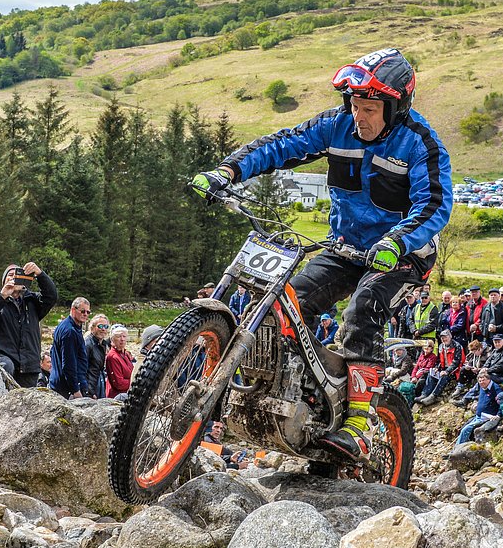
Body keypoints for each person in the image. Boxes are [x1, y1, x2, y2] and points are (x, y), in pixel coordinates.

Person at [193, 47, 452, 461]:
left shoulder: (420, 144)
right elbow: (282, 144)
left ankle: (359, 424)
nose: (359, 116)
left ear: (396, 107)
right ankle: (307, 390)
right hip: (345, 247)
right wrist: (229, 170)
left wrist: (396, 241)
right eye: (354, 105)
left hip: (402, 253)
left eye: (370, 108)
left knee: (363, 308)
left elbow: (434, 205)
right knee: (288, 302)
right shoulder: (337, 125)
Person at [0, 262, 58, 388]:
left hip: (29, 365)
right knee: (6, 368)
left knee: (27, 398)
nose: (14, 277)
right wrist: (2, 296)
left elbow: (51, 296)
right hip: (4, 359)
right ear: (4, 281)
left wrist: (40, 274)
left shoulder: (33, 301)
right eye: (10, 275)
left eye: (18, 274)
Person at [49, 298, 92, 399]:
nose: (85, 314)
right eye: (82, 311)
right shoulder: (70, 331)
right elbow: (68, 364)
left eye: (88, 312)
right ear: (73, 310)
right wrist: (75, 390)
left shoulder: (67, 326)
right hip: (66, 387)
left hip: (60, 382)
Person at [415, 330, 463, 406]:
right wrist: (437, 368)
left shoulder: (457, 346)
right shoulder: (441, 346)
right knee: (431, 372)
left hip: (455, 370)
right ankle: (424, 394)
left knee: (444, 376)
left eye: (445, 337)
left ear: (450, 336)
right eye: (442, 338)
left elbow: (456, 362)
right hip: (444, 368)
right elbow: (439, 360)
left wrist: (447, 371)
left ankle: (433, 396)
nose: (444, 339)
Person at [456, 370, 501, 445]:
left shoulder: (495, 388)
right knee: (463, 427)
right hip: (478, 415)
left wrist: (498, 415)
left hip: (486, 417)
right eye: (480, 381)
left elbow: (502, 402)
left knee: (466, 430)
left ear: (489, 380)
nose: (481, 382)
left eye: (483, 380)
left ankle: (457, 448)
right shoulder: (482, 387)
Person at [105, 325, 136, 399]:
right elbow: (119, 383)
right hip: (117, 397)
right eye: (119, 336)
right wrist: (135, 383)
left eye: (124, 336)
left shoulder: (126, 354)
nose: (122, 339)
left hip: (128, 393)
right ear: (112, 339)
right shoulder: (112, 357)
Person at [84, 314, 110, 399]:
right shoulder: (88, 344)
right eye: (100, 326)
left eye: (106, 327)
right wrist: (89, 391)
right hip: (89, 388)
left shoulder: (103, 344)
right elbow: (82, 370)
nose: (103, 329)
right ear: (92, 327)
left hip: (99, 384)